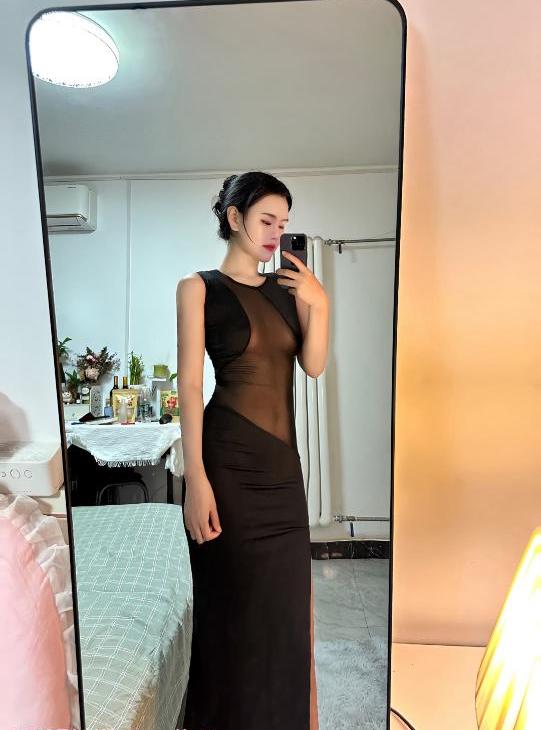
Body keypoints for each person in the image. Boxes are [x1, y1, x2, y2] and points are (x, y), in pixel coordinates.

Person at [176, 171, 329, 730]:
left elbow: (314, 365)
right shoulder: (198, 288)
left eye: (283, 224)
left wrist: (319, 303)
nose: (275, 234)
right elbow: (190, 387)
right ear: (234, 217)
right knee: (232, 610)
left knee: (287, 613)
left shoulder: (289, 292)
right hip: (228, 467)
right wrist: (196, 481)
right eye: (267, 221)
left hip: (282, 474)